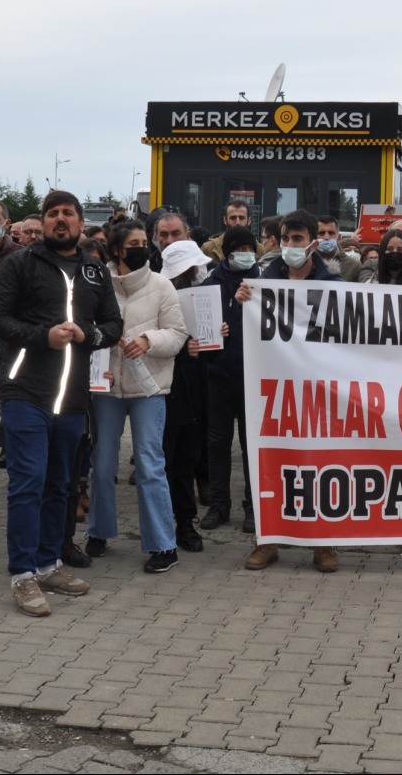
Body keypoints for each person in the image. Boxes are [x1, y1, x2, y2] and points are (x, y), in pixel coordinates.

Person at [0, 190, 121, 616]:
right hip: (25, 390)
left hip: (73, 396)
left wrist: (89, 334)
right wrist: (42, 336)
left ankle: (48, 563)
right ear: (42, 222)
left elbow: (114, 325)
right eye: (53, 214)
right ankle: (22, 575)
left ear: (81, 222)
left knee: (60, 484)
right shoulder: (19, 264)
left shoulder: (95, 270)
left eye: (68, 213)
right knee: (28, 481)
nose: (60, 220)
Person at [231, 210, 343, 572]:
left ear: (312, 242)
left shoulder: (334, 286)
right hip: (275, 391)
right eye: (285, 239)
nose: (290, 246)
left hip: (318, 391)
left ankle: (323, 544)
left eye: (297, 239)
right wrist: (243, 301)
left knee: (321, 463)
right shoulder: (263, 281)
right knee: (272, 462)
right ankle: (268, 540)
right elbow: (244, 332)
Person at [85, 220, 186, 573]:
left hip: (150, 389)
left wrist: (149, 341)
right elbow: (88, 330)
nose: (142, 247)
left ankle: (162, 545)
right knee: (103, 464)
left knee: (149, 465)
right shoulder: (97, 285)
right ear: (115, 249)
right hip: (107, 389)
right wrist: (99, 363)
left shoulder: (161, 286)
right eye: (134, 242)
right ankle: (98, 531)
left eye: (145, 241)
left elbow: (177, 335)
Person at [198, 226, 257, 533]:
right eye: (239, 249)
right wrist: (232, 305)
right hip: (218, 375)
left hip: (252, 376)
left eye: (250, 248)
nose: (246, 254)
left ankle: (254, 506)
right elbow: (204, 327)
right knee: (218, 443)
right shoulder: (211, 284)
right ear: (228, 252)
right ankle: (219, 505)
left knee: (252, 444)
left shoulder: (264, 280)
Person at [160, 240, 211, 553]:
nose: (199, 271)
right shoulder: (159, 294)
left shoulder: (202, 295)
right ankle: (166, 524)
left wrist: (215, 334)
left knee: (186, 461)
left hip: (195, 392)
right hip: (167, 390)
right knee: (166, 462)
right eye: (194, 267)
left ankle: (185, 522)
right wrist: (182, 349)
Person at [315, 215, 362, 281]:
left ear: (339, 237)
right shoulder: (306, 264)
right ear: (313, 236)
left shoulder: (354, 266)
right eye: (321, 233)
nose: (326, 237)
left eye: (331, 233)